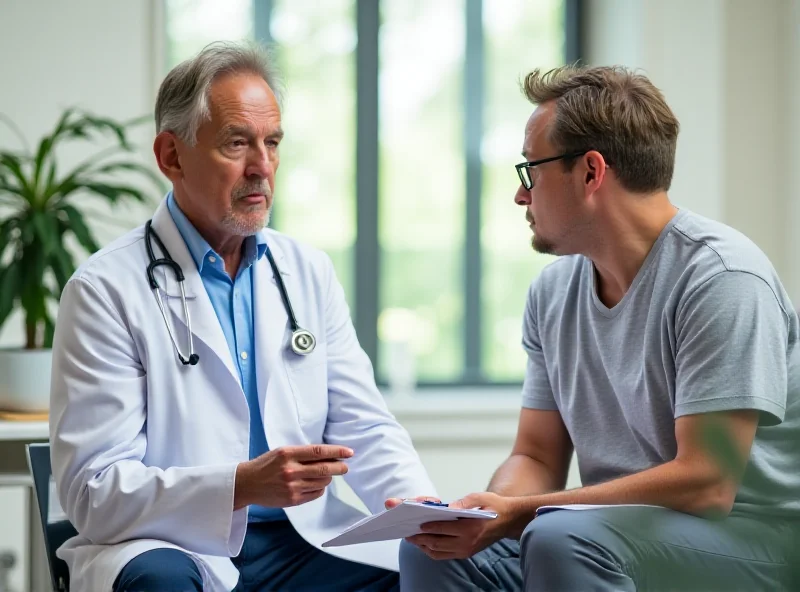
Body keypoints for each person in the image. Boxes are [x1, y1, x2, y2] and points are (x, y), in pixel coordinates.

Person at [49, 41, 436, 592]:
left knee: (431, 574)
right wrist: (240, 485)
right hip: (172, 543)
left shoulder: (306, 271)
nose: (262, 168)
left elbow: (364, 426)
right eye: (237, 143)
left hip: (299, 543)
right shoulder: (103, 290)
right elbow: (94, 493)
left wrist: (419, 507)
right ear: (171, 156)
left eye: (272, 143)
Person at [397, 65, 800, 591]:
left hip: (751, 543)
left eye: (530, 172)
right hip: (611, 538)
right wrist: (481, 516)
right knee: (435, 551)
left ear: (590, 172)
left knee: (559, 537)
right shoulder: (552, 292)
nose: (521, 196)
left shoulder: (723, 279)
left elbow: (707, 482)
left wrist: (521, 512)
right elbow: (536, 455)